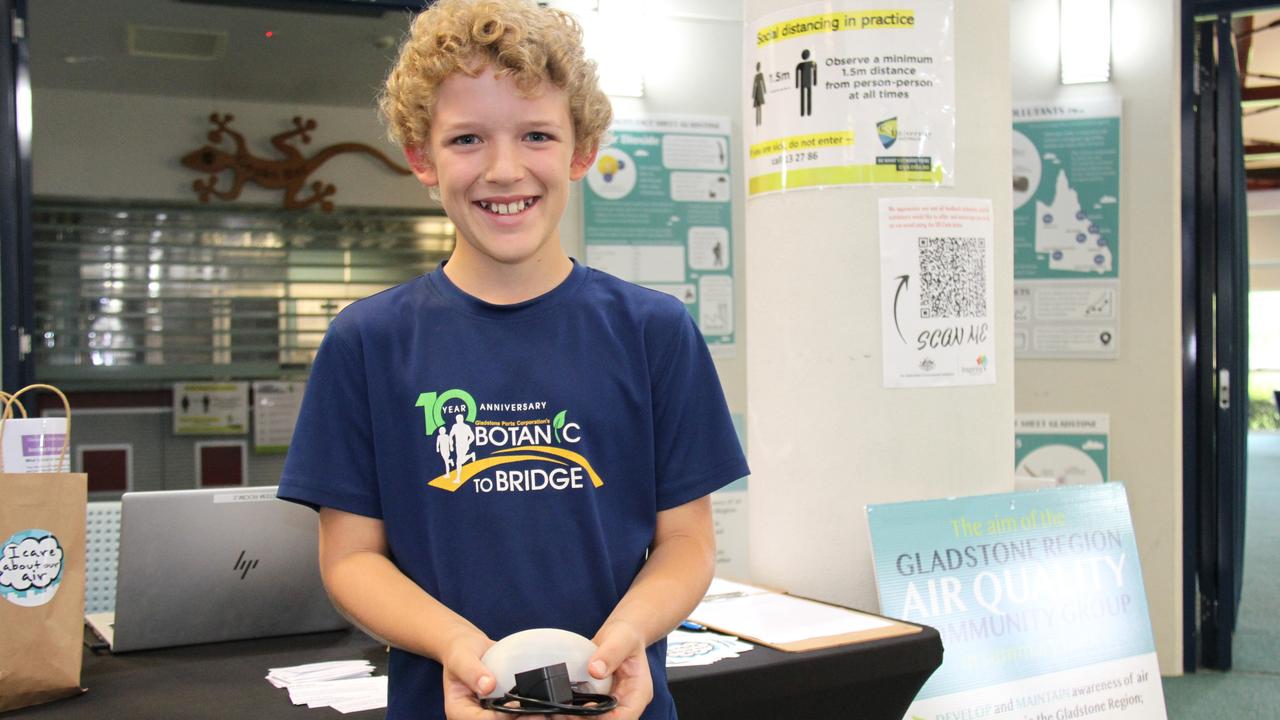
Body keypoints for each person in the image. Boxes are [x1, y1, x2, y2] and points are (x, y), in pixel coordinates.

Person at [276, 1, 748, 719]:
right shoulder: (365, 343)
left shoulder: (655, 332)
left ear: (581, 150)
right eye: (466, 139)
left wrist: (626, 637)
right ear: (420, 156)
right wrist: (460, 648)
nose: (504, 169)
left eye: (536, 135)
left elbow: (686, 542)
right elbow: (350, 560)